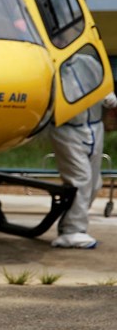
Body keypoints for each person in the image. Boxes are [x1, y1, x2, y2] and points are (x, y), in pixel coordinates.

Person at [50, 88, 117, 249]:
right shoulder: (60, 66)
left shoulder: (91, 63)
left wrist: (106, 91)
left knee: (95, 183)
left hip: (94, 126)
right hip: (68, 127)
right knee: (80, 179)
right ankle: (71, 230)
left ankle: (72, 224)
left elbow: (98, 79)